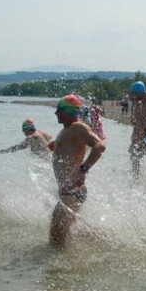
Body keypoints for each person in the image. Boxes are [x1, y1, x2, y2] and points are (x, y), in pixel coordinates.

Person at [49, 94, 105, 245]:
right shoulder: (69, 129)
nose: (56, 113)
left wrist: (83, 169)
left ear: (68, 111)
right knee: (62, 234)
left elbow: (99, 146)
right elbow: (71, 148)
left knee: (56, 238)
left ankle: (59, 267)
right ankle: (101, 241)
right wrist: (56, 146)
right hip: (68, 189)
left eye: (59, 110)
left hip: (73, 189)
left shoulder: (77, 127)